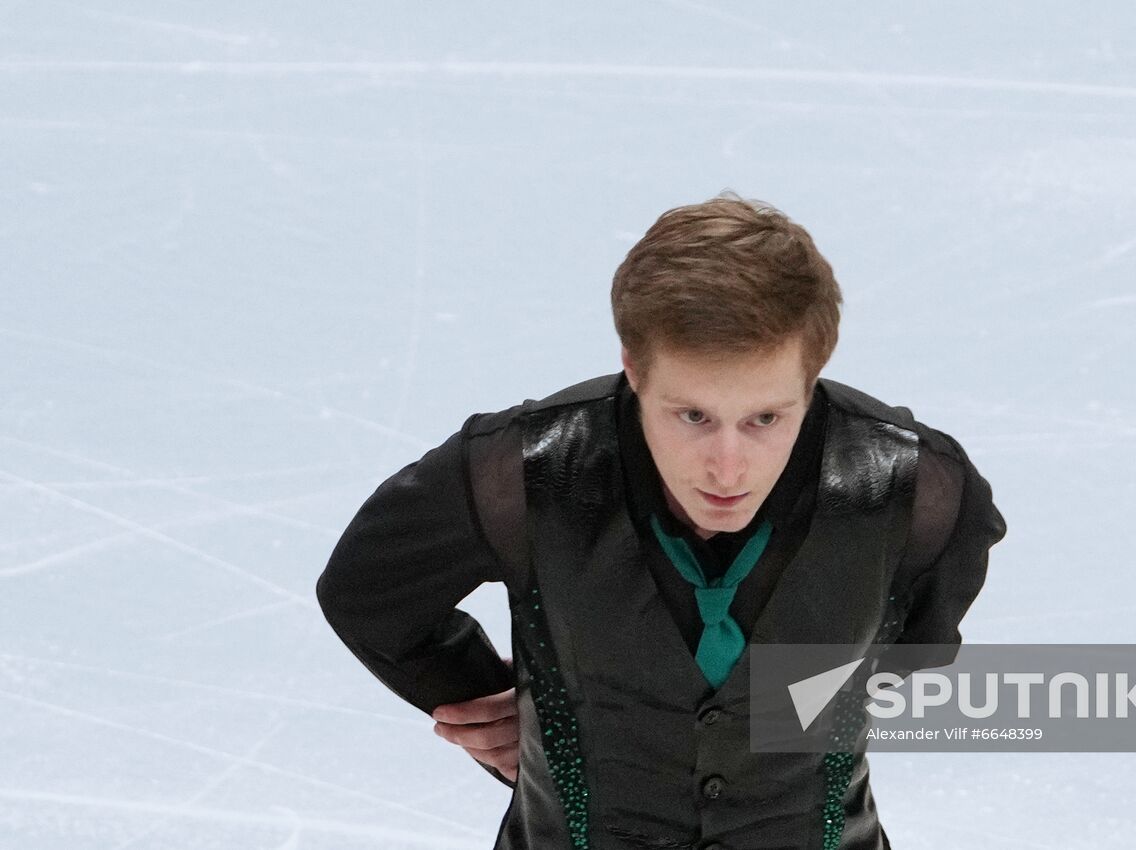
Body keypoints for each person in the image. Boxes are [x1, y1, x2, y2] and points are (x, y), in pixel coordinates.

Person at [316, 191, 1008, 849]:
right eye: (693, 416)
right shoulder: (523, 474)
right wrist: (495, 701)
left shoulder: (918, 491)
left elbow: (916, 652)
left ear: (812, 375)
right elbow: (369, 593)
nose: (727, 467)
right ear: (634, 369)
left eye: (765, 417)